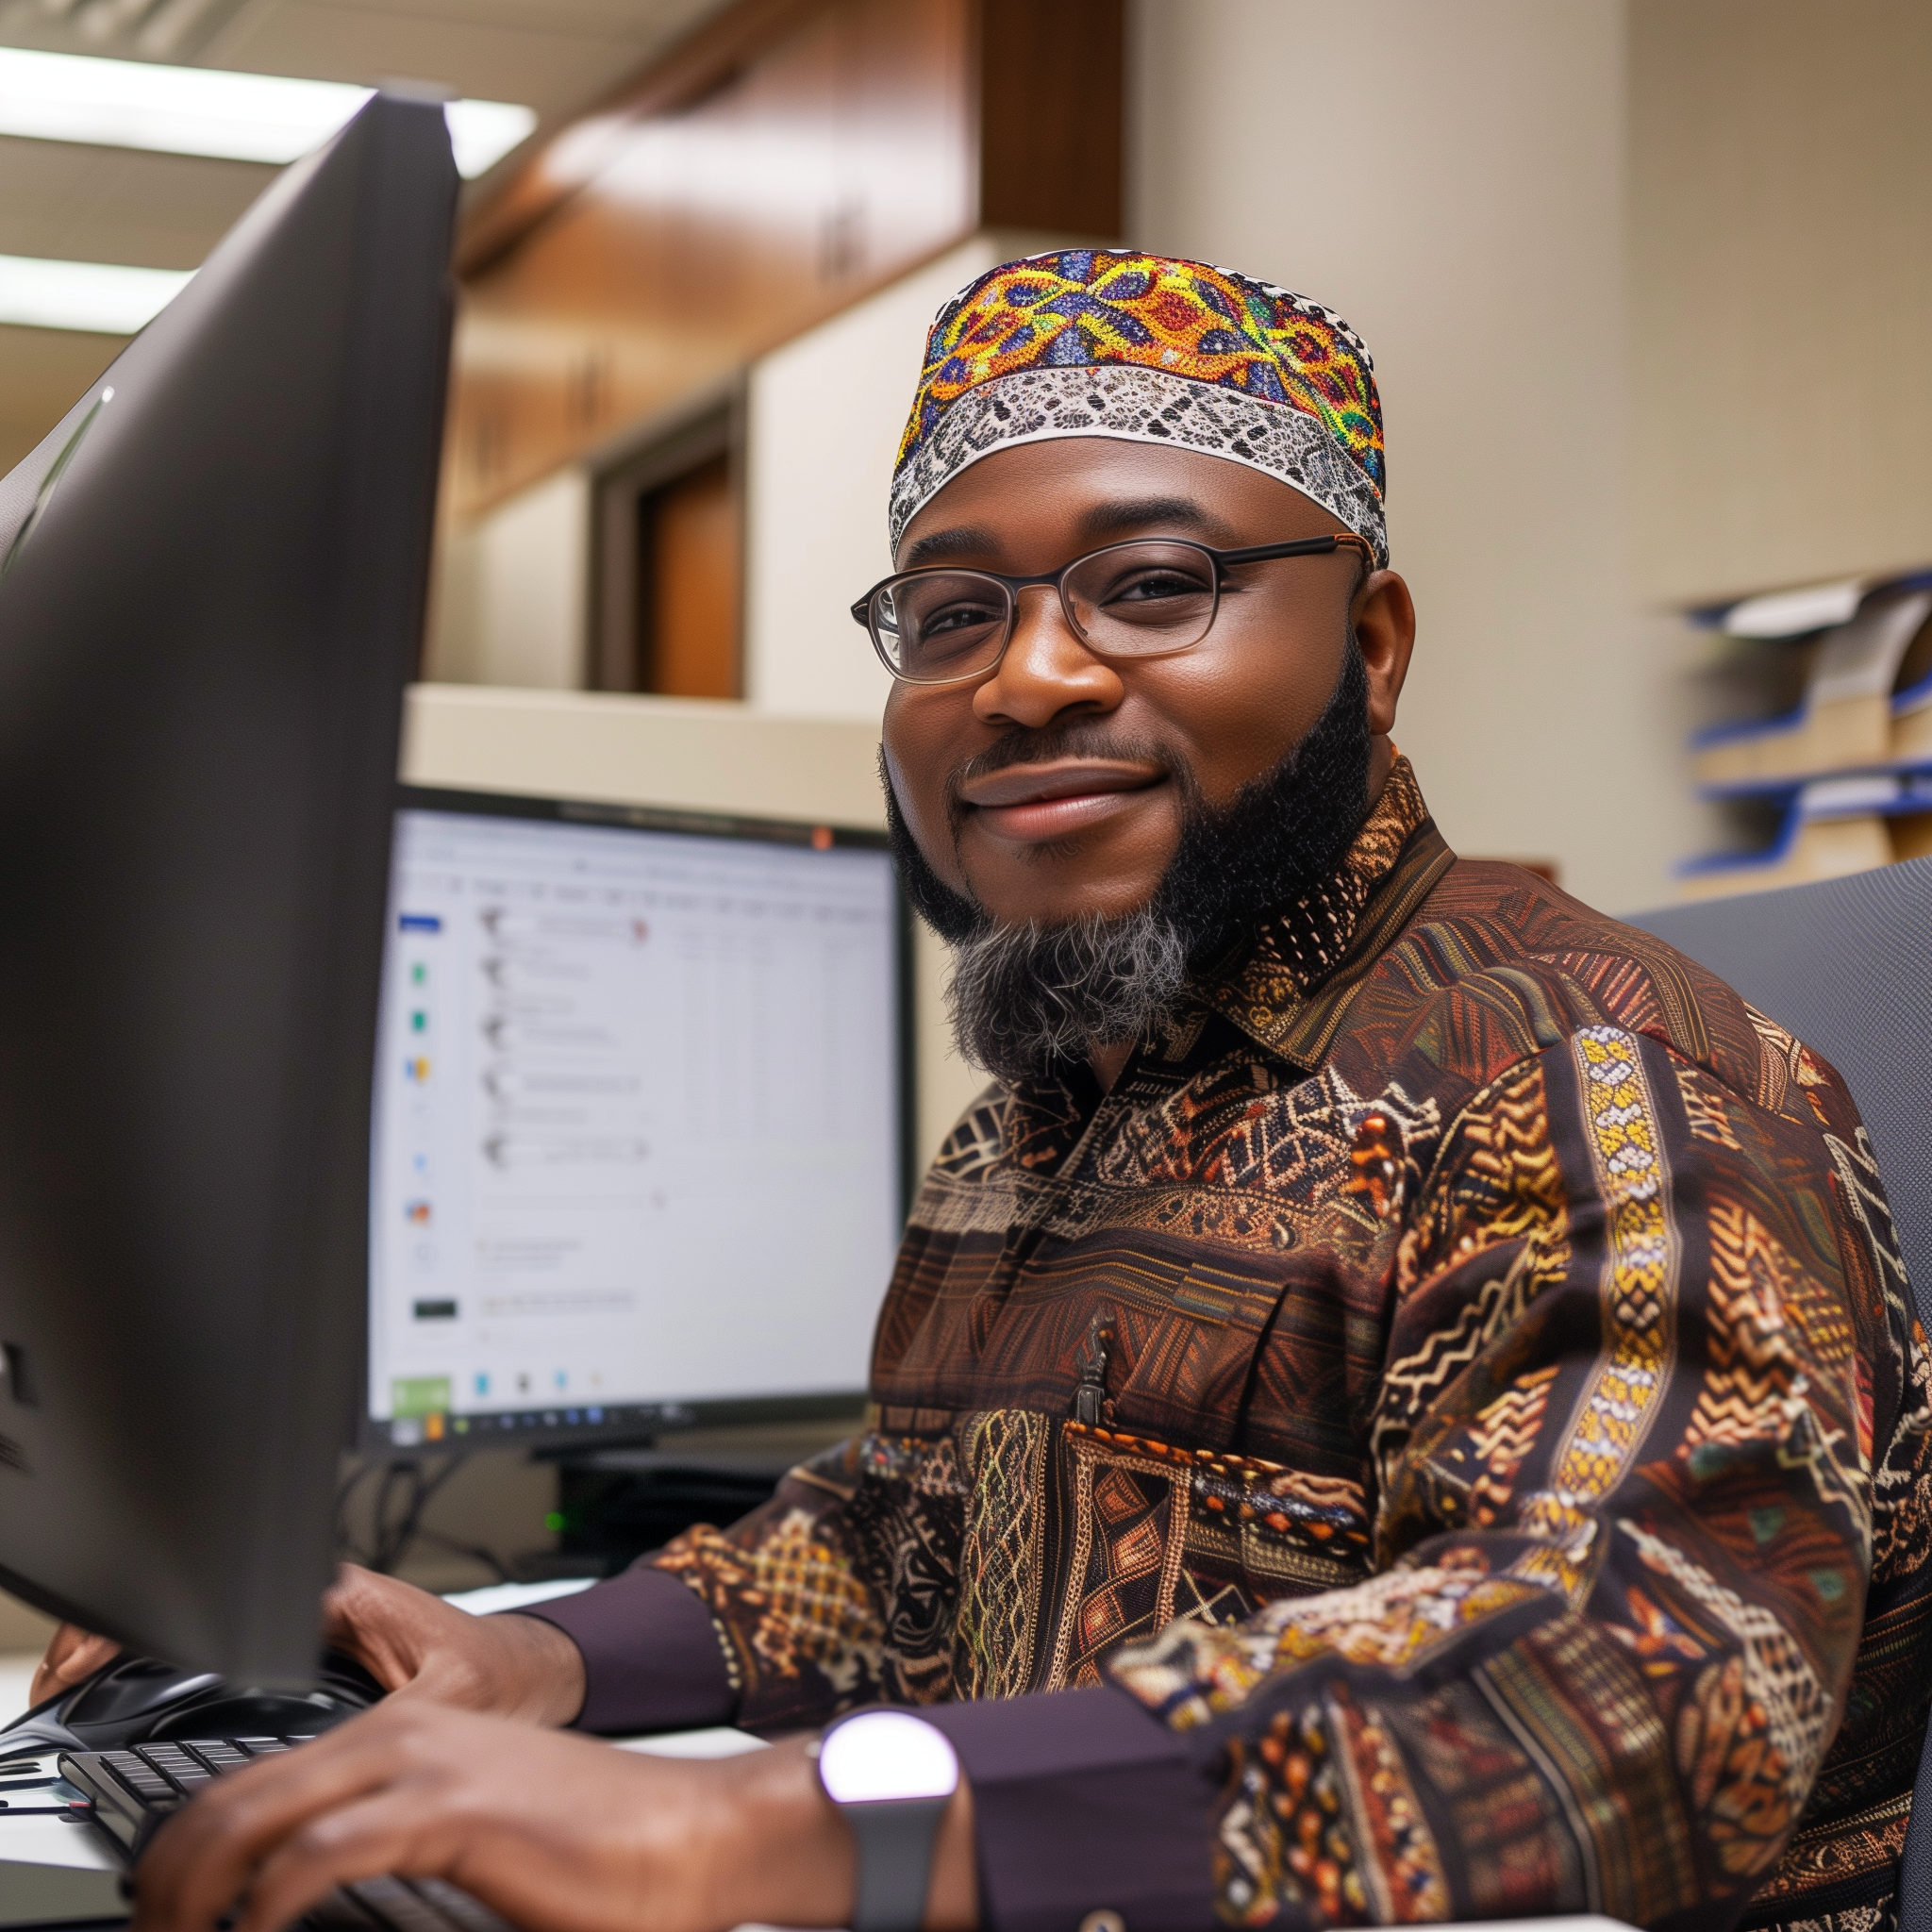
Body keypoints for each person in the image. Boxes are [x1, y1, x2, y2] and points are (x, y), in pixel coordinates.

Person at [57, 250, 1930, 1932]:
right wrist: (513, 1664)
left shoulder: (1593, 1078)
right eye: (950, 617)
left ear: (1367, 648)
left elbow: (1633, 1673)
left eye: (1152, 587)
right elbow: (898, 1543)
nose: (1024, 677)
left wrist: (764, 1827)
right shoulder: (1043, 1117)